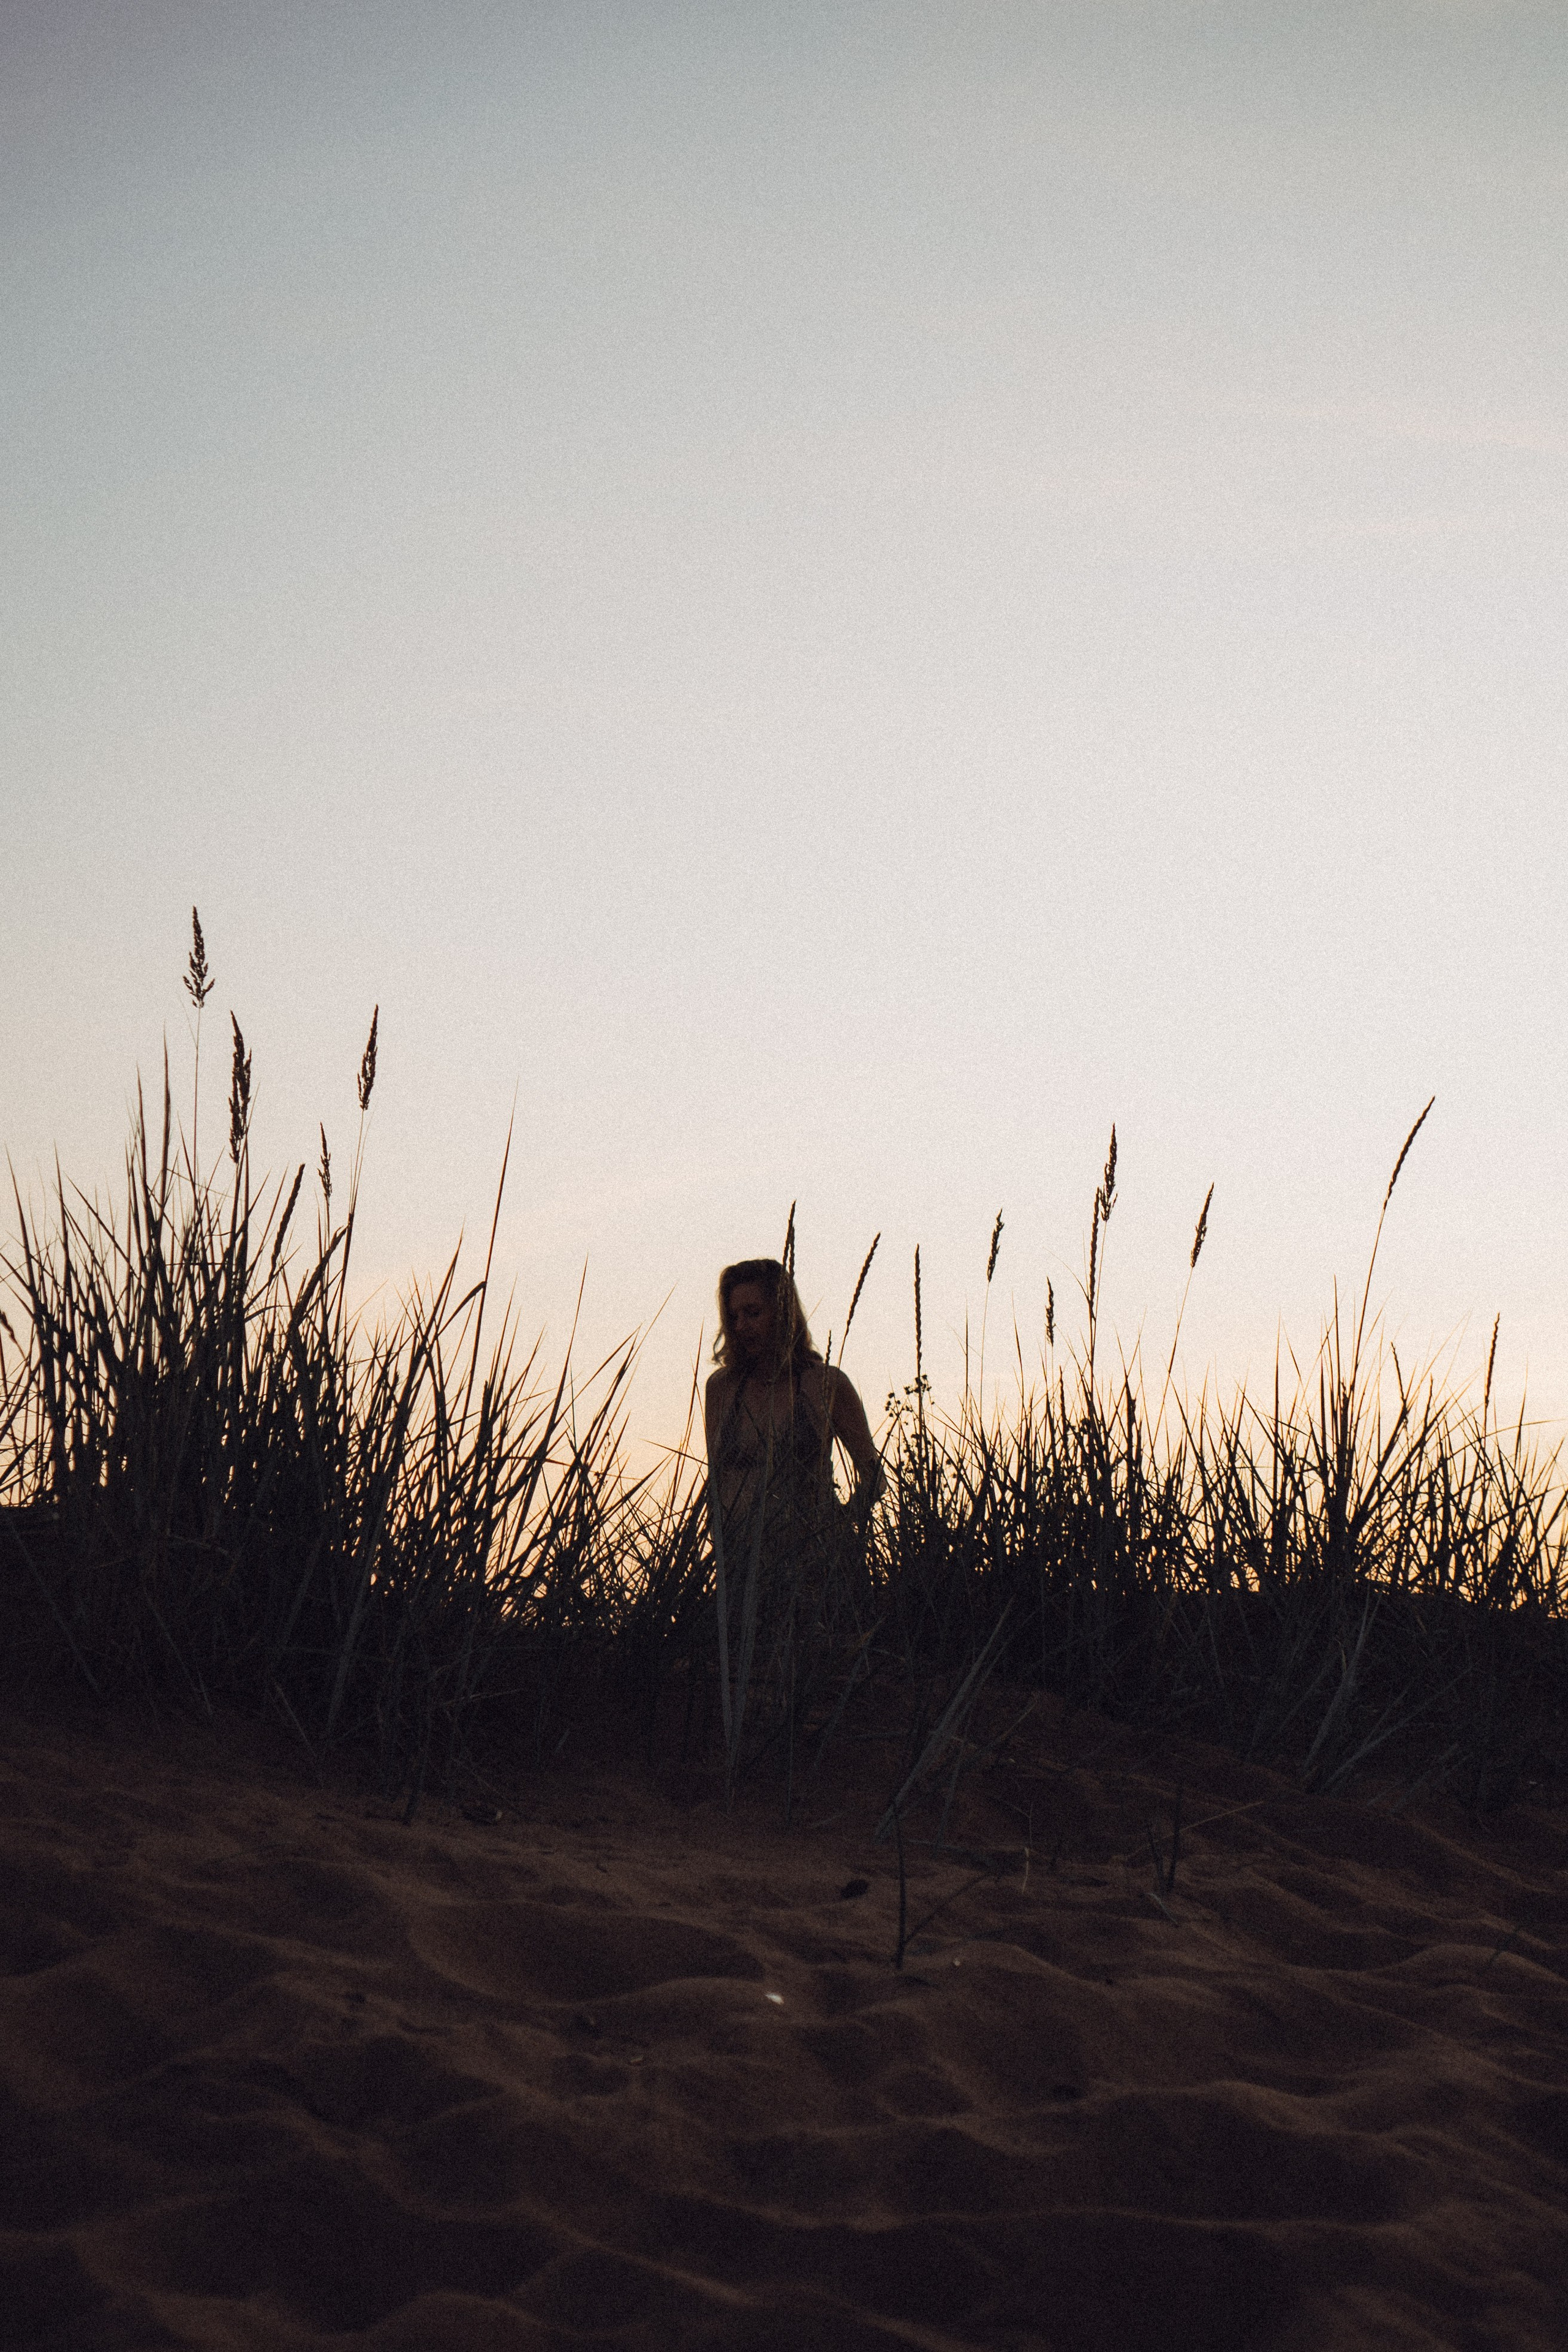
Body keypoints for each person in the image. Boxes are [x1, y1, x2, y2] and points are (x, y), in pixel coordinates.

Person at [703, 1259, 884, 1667]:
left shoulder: (826, 1383)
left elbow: (873, 1474)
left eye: (754, 1312)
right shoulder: (722, 1389)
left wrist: (841, 1526)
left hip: (816, 1571)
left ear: (783, 1312)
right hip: (744, 1569)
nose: (742, 1326)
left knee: (821, 1676)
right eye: (734, 1316)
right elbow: (717, 1480)